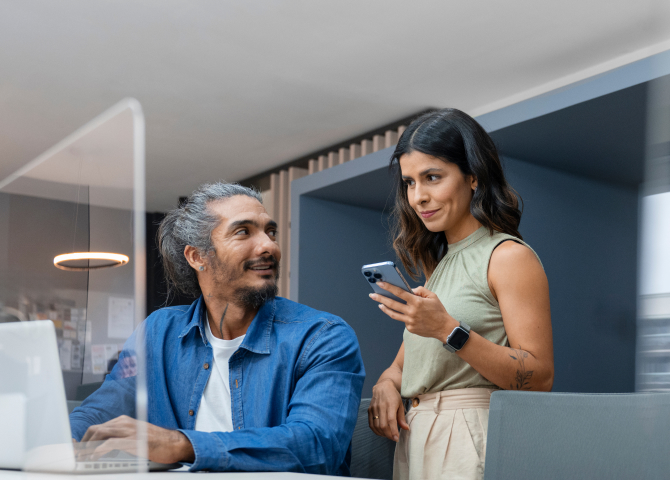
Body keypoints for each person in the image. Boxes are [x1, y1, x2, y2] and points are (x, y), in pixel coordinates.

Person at [69, 182, 365, 474]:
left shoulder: (323, 336)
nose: (269, 246)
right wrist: (64, 439)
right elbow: (102, 408)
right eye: (243, 232)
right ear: (197, 257)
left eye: (270, 231)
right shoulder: (157, 333)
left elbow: (317, 445)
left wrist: (183, 444)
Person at [367, 109, 554, 480]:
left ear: (472, 176)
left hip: (469, 435)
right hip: (416, 436)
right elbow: (402, 367)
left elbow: (540, 376)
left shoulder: (507, 257)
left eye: (432, 177)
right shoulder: (438, 270)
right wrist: (386, 384)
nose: (418, 197)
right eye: (409, 183)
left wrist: (448, 330)